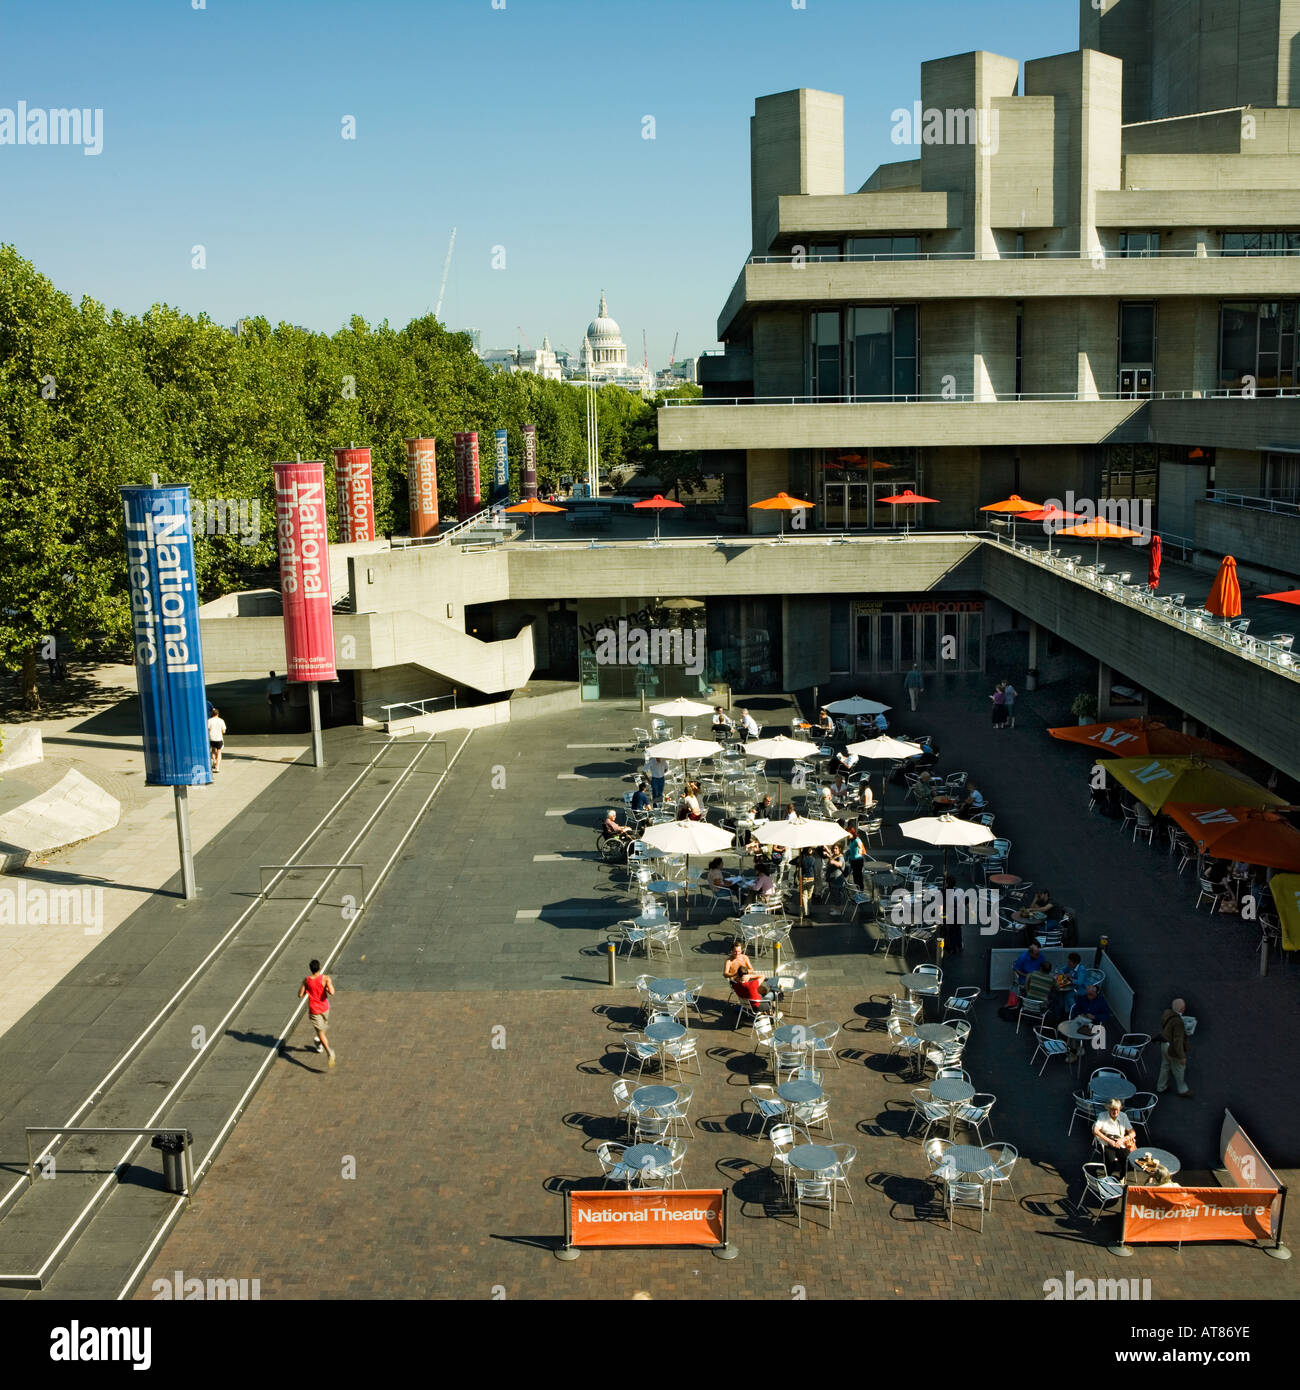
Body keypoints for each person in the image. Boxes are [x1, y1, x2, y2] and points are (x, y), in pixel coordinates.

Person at [298, 958, 336, 1067]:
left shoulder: (307, 980)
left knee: (321, 1031)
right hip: (325, 1008)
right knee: (321, 1030)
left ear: (310, 969)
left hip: (314, 1010)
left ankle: (329, 1052)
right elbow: (332, 992)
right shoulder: (326, 978)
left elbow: (300, 995)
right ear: (319, 967)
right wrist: (327, 988)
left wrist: (305, 987)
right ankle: (322, 1044)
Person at [1092, 1098, 1136, 1178]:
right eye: (1112, 1109)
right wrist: (1109, 1141)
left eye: (1117, 1110)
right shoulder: (1102, 1115)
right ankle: (1109, 1178)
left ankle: (1122, 1176)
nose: (1115, 1112)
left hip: (1120, 1141)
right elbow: (1095, 1130)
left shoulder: (1123, 1116)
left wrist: (1123, 1139)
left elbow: (1133, 1133)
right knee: (1111, 1161)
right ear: (1108, 1109)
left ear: (1120, 1109)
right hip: (1107, 1141)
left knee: (1127, 1160)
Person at [1158, 997, 1192, 1096]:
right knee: (1179, 1069)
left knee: (1165, 1066)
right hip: (1171, 1048)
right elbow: (1178, 1041)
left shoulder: (1167, 1014)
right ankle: (1183, 1090)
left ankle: (1161, 1086)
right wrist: (1182, 1056)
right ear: (1182, 1009)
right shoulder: (1178, 1023)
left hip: (1164, 1044)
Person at [207, 707, 227, 773]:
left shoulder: (209, 720)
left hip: (212, 738)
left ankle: (213, 761)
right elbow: (223, 731)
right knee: (219, 752)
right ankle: (217, 767)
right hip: (219, 738)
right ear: (218, 714)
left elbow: (208, 729)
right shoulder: (221, 720)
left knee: (213, 750)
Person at [799, 848, 817, 916]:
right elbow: (815, 869)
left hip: (803, 878)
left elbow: (792, 862)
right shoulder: (813, 859)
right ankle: (809, 909)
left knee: (804, 896)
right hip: (811, 878)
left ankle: (806, 912)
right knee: (809, 896)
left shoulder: (802, 859)